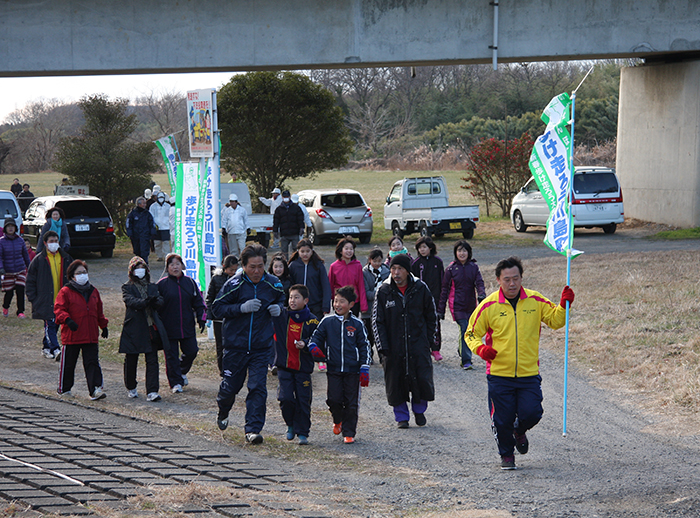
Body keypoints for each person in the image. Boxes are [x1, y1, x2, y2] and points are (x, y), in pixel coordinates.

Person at [466, 256, 575, 470]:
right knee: (501, 419)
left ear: (521, 278)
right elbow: (470, 334)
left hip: (528, 373)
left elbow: (556, 321)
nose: (512, 283)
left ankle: (519, 430)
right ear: (498, 280)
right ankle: (507, 455)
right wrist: (480, 349)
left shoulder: (535, 301)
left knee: (532, 413)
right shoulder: (488, 306)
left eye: (516, 278)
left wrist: (564, 305)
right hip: (499, 374)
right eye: (507, 279)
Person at [213, 244, 285, 444]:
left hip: (261, 348)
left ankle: (252, 430)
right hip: (235, 346)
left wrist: (279, 308)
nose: (256, 271)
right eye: (252, 266)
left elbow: (281, 299)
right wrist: (240, 308)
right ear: (243, 266)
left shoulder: (273, 283)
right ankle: (223, 410)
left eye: (260, 266)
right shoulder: (233, 284)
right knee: (230, 389)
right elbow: (217, 308)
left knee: (257, 388)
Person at [373, 254, 436, 428]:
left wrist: (431, 341)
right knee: (395, 381)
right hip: (393, 347)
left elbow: (432, 316)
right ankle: (401, 417)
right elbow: (377, 321)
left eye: (400, 269)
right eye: (393, 269)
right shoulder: (383, 291)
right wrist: (382, 347)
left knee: (421, 379)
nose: (396, 273)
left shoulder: (421, 288)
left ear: (407, 271)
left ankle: (419, 410)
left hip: (418, 344)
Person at [307, 286, 371, 444]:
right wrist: (313, 346)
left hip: (353, 371)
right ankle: (337, 419)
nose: (337, 305)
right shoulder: (327, 321)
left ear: (351, 304)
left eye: (341, 302)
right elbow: (316, 337)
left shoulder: (357, 324)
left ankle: (349, 432)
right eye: (335, 301)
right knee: (333, 399)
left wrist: (364, 367)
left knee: (351, 402)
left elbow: (365, 346)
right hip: (334, 368)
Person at [54, 259, 109, 400]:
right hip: (72, 335)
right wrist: (67, 320)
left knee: (92, 363)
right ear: (72, 276)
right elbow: (59, 309)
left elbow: (98, 311)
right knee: (68, 364)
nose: (83, 275)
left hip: (90, 335)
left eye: (85, 272)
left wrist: (103, 326)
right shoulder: (65, 292)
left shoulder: (93, 291)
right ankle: (64, 389)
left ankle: (95, 390)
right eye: (79, 273)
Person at [272, 284, 319, 445]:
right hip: (284, 367)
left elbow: (318, 339)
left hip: (303, 368)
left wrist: (305, 344)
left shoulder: (312, 320)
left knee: (303, 400)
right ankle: (290, 424)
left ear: (305, 300)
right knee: (285, 398)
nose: (292, 300)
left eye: (296, 297)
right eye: (291, 297)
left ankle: (303, 433)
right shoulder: (282, 315)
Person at [119, 257, 169, 402]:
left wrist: (155, 301)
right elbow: (130, 301)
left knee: (152, 360)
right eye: (136, 268)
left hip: (150, 328)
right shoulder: (127, 287)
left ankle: (152, 391)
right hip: (134, 328)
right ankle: (131, 386)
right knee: (131, 359)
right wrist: (145, 302)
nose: (139, 270)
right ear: (131, 271)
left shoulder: (152, 286)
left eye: (142, 267)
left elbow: (160, 300)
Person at [156, 253, 207, 393]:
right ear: (167, 268)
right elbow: (155, 306)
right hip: (168, 327)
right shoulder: (161, 284)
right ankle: (175, 382)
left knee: (192, 351)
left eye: (177, 264)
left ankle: (181, 371)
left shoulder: (190, 282)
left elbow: (199, 302)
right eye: (171, 264)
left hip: (187, 325)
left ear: (182, 266)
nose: (175, 267)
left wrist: (201, 317)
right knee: (171, 356)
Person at [437, 240, 486, 370]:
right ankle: (466, 360)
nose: (462, 253)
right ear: (455, 253)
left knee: (470, 330)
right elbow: (444, 290)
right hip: (456, 306)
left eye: (464, 250)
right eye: (459, 250)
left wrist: (482, 294)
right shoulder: (451, 269)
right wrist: (440, 309)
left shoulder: (474, 267)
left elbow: (479, 283)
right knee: (464, 328)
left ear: (469, 252)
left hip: (471, 305)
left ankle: (462, 349)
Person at [25, 231, 72, 360]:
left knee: (56, 324)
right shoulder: (39, 260)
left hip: (62, 299)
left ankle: (46, 347)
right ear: (45, 243)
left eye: (56, 241)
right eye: (51, 241)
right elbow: (30, 281)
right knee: (50, 323)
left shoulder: (65, 258)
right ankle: (56, 349)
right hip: (46, 300)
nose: (54, 244)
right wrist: (33, 298)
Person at [411, 237, 445, 361]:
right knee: (420, 323)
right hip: (420, 299)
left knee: (435, 323)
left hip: (435, 297)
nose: (422, 250)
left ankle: (435, 349)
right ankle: (424, 348)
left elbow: (443, 281)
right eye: (420, 248)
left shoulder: (438, 262)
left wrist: (442, 299)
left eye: (424, 247)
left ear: (430, 248)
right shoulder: (416, 264)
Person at [206, 254, 239, 377]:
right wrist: (209, 315)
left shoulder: (238, 279)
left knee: (234, 343)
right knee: (221, 345)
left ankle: (233, 367)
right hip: (219, 318)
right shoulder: (216, 279)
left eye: (235, 270)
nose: (233, 272)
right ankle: (222, 369)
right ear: (224, 267)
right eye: (231, 270)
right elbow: (210, 298)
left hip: (233, 317)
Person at [287, 239, 331, 317]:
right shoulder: (293, 266)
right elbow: (289, 285)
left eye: (308, 251)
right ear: (298, 251)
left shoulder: (318, 265)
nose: (305, 254)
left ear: (312, 251)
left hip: (316, 305)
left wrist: (325, 306)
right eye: (302, 251)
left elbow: (325, 286)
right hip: (298, 305)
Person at [328, 236, 368, 318]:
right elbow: (330, 285)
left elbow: (361, 285)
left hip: (353, 302)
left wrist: (363, 305)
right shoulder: (334, 266)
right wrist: (329, 303)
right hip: (339, 301)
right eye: (346, 248)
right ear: (340, 251)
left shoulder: (357, 265)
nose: (349, 251)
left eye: (351, 249)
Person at [0, 218, 30, 318]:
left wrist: (29, 266)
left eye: (12, 226)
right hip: (8, 271)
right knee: (9, 293)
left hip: (20, 269)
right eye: (8, 226)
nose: (10, 228)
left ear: (15, 228)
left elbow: (25, 255)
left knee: (20, 291)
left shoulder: (20, 240)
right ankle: (5, 307)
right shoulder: (1, 241)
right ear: (5, 228)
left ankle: (20, 311)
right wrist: (1, 268)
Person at [362, 248, 389, 356]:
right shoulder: (364, 273)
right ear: (369, 260)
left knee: (382, 332)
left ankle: (383, 354)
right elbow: (366, 292)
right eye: (375, 261)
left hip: (383, 308)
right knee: (368, 334)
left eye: (379, 261)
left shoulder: (386, 272)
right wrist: (379, 294)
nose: (377, 264)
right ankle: (369, 353)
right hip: (368, 309)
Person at [273, 190, 305, 258]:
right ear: (282, 197)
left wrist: (302, 228)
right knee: (284, 251)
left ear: (290, 197)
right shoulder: (279, 209)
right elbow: (276, 221)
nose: (286, 198)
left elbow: (300, 219)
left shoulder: (296, 208)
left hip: (294, 233)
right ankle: (285, 264)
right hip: (284, 234)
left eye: (287, 197)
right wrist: (275, 230)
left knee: (296, 250)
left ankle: (295, 263)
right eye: (284, 197)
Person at [126, 197, 156, 264]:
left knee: (145, 251)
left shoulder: (147, 214)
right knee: (137, 251)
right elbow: (128, 223)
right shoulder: (132, 214)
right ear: (139, 204)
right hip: (136, 236)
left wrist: (153, 232)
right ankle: (138, 263)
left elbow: (152, 223)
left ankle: (145, 264)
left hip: (145, 236)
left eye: (145, 203)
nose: (145, 205)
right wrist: (130, 233)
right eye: (143, 203)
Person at [221, 193, 249, 258]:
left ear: (236, 202)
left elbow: (246, 219)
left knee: (242, 247)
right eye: (231, 201)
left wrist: (248, 228)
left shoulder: (242, 210)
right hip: (231, 232)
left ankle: (243, 260)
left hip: (241, 231)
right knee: (233, 249)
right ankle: (235, 261)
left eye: (233, 201)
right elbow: (224, 220)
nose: (232, 203)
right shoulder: (227, 210)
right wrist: (223, 228)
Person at [149, 191, 171, 262]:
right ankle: (159, 256)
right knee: (157, 243)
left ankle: (166, 256)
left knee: (166, 243)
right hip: (157, 228)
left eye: (162, 197)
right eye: (159, 197)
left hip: (166, 227)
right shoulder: (153, 206)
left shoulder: (168, 206)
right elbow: (151, 216)